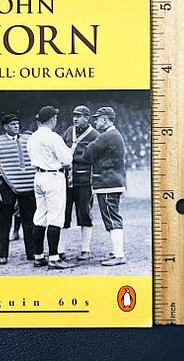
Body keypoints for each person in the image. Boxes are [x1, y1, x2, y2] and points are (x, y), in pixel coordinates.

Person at [26, 106, 73, 270]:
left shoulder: (32, 137)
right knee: (56, 217)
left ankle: (38, 256)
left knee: (40, 216)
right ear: (52, 119)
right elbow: (67, 159)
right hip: (53, 176)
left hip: (38, 176)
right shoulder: (53, 137)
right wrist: (70, 150)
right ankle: (54, 258)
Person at [0, 114, 36, 265]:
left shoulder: (28, 141)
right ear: (5, 127)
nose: (16, 126)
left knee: (29, 220)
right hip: (6, 188)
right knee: (4, 222)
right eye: (13, 124)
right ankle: (3, 255)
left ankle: (32, 252)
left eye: (17, 123)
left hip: (26, 186)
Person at [83, 107, 127, 266]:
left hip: (107, 184)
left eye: (97, 119)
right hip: (113, 183)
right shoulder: (115, 135)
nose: (95, 122)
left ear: (105, 119)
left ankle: (119, 255)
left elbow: (86, 154)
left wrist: (90, 147)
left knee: (112, 219)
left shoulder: (106, 136)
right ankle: (116, 252)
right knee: (112, 217)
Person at [61, 105, 99, 260]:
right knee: (63, 214)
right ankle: (60, 249)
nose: (75, 119)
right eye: (74, 116)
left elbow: (97, 158)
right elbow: (61, 150)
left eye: (79, 116)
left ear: (87, 118)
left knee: (84, 213)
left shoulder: (94, 135)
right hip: (66, 180)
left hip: (84, 181)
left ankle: (85, 249)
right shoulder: (69, 131)